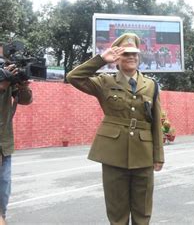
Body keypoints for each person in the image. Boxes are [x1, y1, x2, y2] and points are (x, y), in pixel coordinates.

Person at [66, 33, 164, 225]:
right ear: (117, 57)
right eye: (126, 53)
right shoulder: (104, 82)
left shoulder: (151, 85)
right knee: (117, 212)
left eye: (134, 54)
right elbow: (73, 77)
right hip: (113, 154)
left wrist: (158, 155)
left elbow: (156, 122)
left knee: (143, 211)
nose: (131, 57)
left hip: (143, 154)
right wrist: (101, 59)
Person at [0, 47, 33, 223]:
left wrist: (23, 86)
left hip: (4, 145)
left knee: (3, 192)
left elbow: (26, 101)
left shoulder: (7, 73)